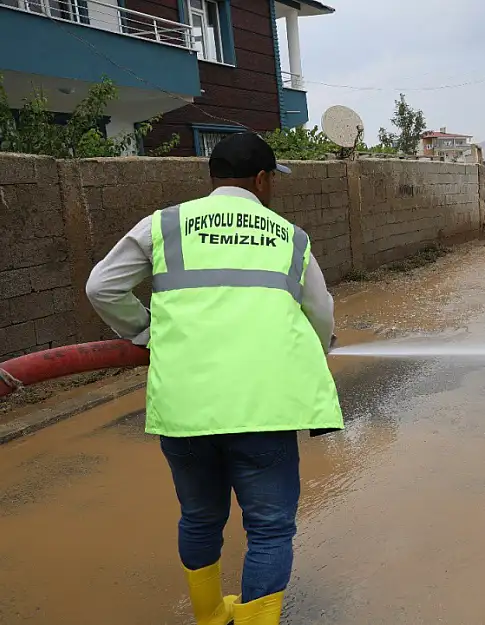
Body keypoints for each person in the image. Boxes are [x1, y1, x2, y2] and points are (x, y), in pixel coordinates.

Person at [85, 132, 343, 625]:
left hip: (186, 405)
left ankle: (210, 615)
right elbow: (322, 314)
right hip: (263, 405)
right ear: (262, 180)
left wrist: (144, 331)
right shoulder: (289, 236)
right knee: (268, 529)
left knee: (201, 517)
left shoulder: (163, 225)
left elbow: (102, 286)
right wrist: (318, 347)